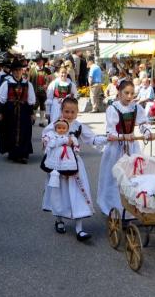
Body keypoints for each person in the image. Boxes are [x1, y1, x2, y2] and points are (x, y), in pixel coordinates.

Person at [42, 97, 107, 240]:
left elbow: (92, 139)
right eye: (66, 111)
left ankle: (79, 228)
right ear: (61, 111)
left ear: (77, 112)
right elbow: (46, 136)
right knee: (59, 192)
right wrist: (50, 141)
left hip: (74, 165)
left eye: (72, 112)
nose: (69, 115)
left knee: (78, 192)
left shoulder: (79, 126)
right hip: (57, 165)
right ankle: (59, 220)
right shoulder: (55, 125)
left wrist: (107, 138)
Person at [97, 80, 155, 216]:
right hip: (116, 147)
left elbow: (142, 123)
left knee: (133, 175)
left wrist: (148, 133)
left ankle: (132, 207)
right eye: (126, 93)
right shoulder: (113, 108)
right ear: (119, 93)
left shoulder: (136, 108)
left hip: (132, 145)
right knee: (115, 177)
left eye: (132, 93)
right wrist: (122, 137)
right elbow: (110, 132)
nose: (129, 96)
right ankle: (113, 206)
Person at [0, 58, 36, 164]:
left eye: (19, 70)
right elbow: (1, 98)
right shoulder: (7, 83)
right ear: (12, 71)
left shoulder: (27, 84)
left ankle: (23, 154)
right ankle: (13, 153)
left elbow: (31, 100)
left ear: (22, 71)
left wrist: (32, 113)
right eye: (15, 70)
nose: (17, 72)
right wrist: (0, 112)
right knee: (10, 132)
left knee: (24, 132)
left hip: (24, 111)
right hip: (10, 111)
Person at [29, 52, 51, 127]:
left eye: (40, 61)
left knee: (43, 106)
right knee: (35, 105)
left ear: (43, 61)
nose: (39, 62)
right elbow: (29, 81)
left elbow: (51, 80)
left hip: (44, 92)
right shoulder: (32, 70)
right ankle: (33, 118)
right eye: (37, 61)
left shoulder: (47, 70)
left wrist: (47, 85)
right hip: (34, 91)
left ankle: (41, 121)